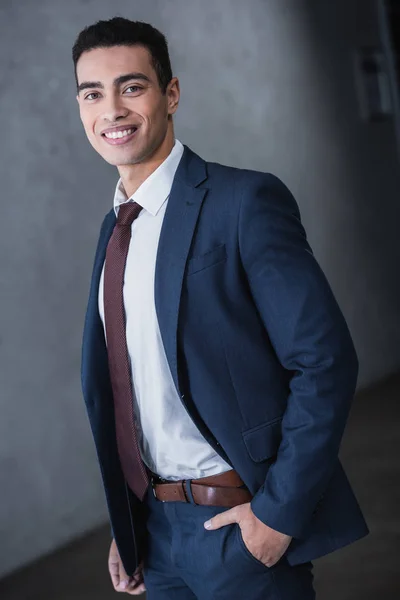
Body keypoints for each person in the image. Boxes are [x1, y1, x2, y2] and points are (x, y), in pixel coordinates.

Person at [74, 16, 369, 599]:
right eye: (92, 93)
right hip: (156, 539)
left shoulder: (243, 203)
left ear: (171, 93)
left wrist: (277, 516)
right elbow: (128, 389)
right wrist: (130, 522)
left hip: (240, 526)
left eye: (131, 86)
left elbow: (325, 362)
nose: (111, 109)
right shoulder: (115, 231)